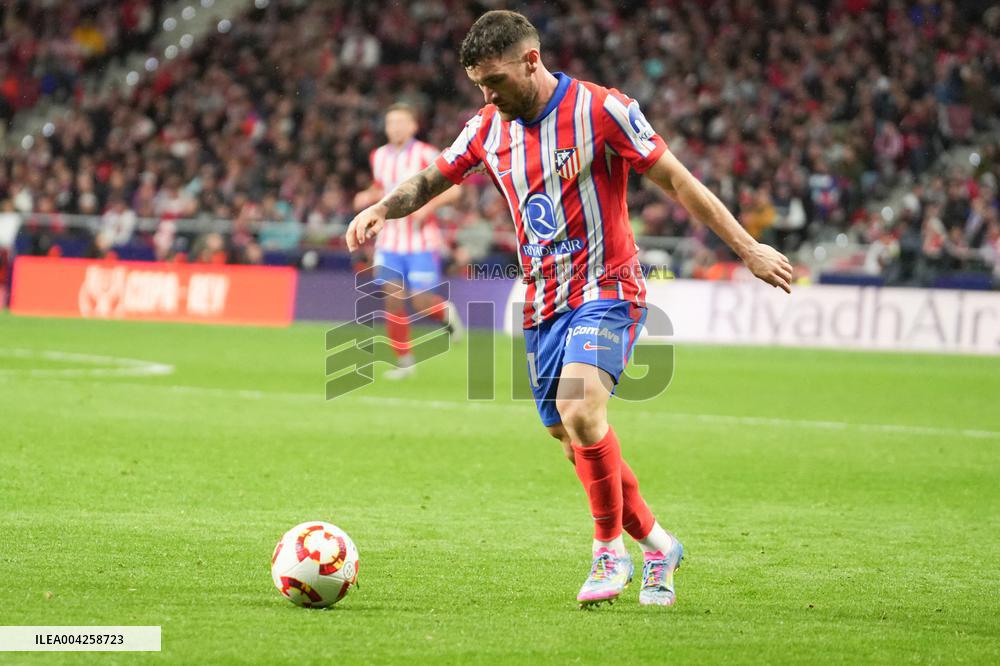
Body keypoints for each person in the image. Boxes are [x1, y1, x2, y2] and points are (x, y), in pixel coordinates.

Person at [346, 10, 792, 608]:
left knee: (581, 410)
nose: (488, 94)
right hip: (542, 301)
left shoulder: (603, 110)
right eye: (479, 84)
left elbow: (680, 181)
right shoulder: (485, 127)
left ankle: (607, 553)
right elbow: (430, 179)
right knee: (570, 433)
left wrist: (748, 248)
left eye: (496, 80)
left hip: (610, 287)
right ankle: (658, 544)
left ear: (531, 60)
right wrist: (383, 208)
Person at [353, 103, 465, 379]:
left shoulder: (426, 154)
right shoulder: (378, 156)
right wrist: (368, 196)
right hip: (389, 242)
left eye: (401, 122)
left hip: (420, 242)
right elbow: (382, 186)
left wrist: (427, 208)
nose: (396, 128)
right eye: (391, 123)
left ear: (413, 126)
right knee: (392, 299)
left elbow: (454, 191)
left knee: (420, 301)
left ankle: (443, 312)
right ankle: (405, 361)